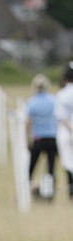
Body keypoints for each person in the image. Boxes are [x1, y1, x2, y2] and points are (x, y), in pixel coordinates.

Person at [25, 74, 57, 200]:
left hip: (38, 138)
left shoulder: (32, 102)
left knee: (32, 166)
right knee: (51, 167)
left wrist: (28, 138)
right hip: (52, 137)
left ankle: (26, 187)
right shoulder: (53, 100)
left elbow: (28, 122)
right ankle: (50, 193)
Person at [55, 61, 73, 201]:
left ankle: (71, 189)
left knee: (68, 161)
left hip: (67, 131)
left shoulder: (62, 94)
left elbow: (61, 116)